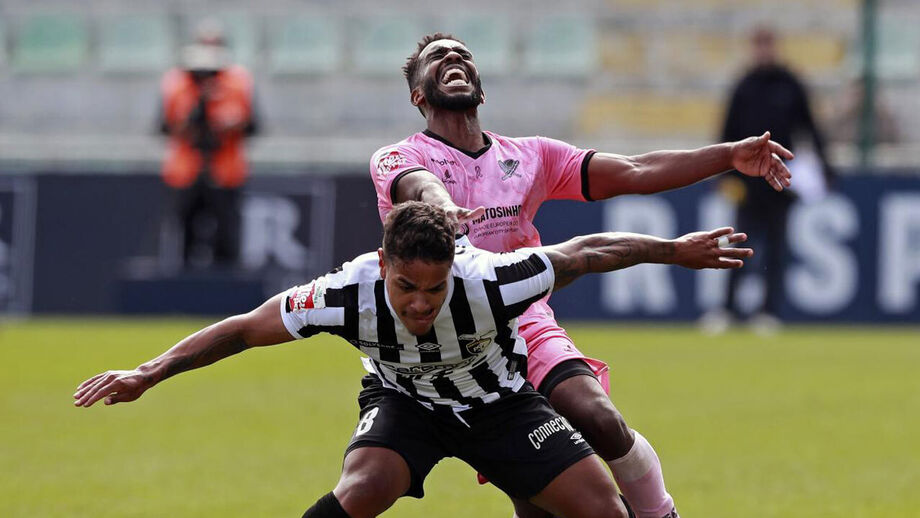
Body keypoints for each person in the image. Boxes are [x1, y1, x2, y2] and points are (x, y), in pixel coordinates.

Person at [75, 202, 753, 518]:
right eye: (406, 287)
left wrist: (674, 250)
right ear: (383, 264)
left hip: (503, 406)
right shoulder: (345, 293)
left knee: (603, 513)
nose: (421, 303)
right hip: (406, 405)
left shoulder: (491, 279)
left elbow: (587, 252)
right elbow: (245, 330)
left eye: (435, 288)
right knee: (362, 489)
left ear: (453, 268)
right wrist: (149, 372)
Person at [368, 33, 793, 518]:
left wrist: (729, 155)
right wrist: (444, 205)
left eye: (463, 53)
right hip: (448, 345)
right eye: (437, 56)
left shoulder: (530, 156)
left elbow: (634, 169)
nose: (452, 56)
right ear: (418, 95)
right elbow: (418, 186)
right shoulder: (398, 157)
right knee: (536, 502)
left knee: (598, 416)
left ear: (481, 90)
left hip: (523, 324)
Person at [701, 25, 835, 335]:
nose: (764, 51)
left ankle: (768, 311)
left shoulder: (790, 84)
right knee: (737, 246)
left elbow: (809, 128)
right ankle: (728, 309)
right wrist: (720, 174)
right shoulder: (744, 85)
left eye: (767, 45)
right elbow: (727, 133)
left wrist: (826, 167)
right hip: (747, 182)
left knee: (776, 248)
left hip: (779, 179)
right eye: (759, 45)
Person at [158, 20, 259, 269]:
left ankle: (226, 285)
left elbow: (253, 126)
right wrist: (192, 114)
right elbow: (164, 126)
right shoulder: (177, 82)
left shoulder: (238, 82)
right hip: (186, 171)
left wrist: (229, 122)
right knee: (184, 235)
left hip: (225, 171)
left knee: (227, 235)